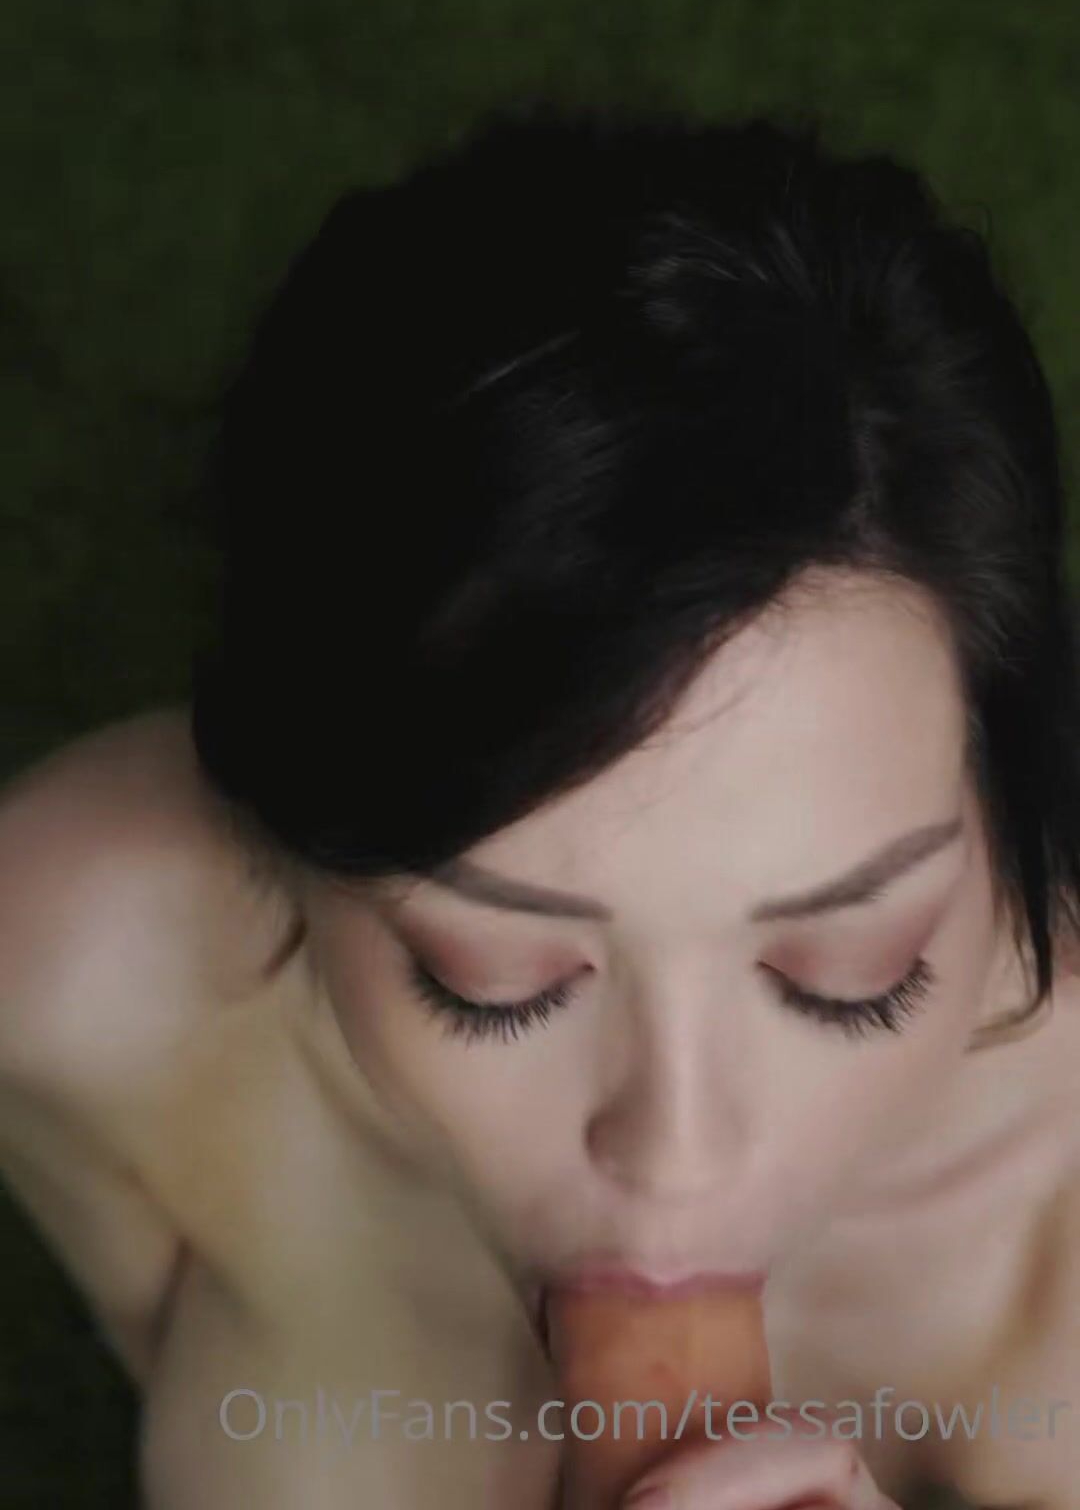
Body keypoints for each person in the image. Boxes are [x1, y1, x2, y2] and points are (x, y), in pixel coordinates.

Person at [2, 103, 1079, 1510]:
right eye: (491, 981)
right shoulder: (71, 976)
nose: (674, 1160)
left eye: (849, 977)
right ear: (294, 841)